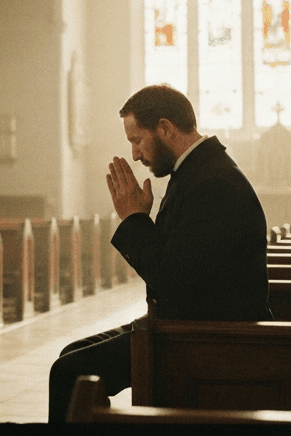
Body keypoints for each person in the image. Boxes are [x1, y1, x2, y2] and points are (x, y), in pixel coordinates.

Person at [47, 84, 272, 423]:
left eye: (137, 141)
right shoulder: (197, 171)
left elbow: (171, 280)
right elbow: (178, 264)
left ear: (165, 128)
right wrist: (139, 219)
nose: (136, 155)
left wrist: (135, 220)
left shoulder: (214, 184)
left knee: (69, 372)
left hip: (211, 338)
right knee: (71, 357)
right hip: (188, 324)